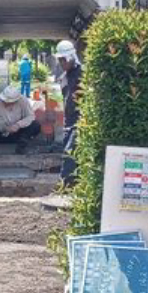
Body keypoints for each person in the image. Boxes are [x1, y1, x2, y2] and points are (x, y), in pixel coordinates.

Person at [0, 86, 41, 154]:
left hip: (17, 134)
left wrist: (18, 125)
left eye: (10, 102)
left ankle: (22, 147)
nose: (7, 103)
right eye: (5, 101)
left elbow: (30, 116)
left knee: (35, 125)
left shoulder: (23, 101)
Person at [56, 40, 82, 187]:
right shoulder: (63, 78)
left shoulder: (82, 74)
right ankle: (71, 185)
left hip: (80, 121)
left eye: (64, 59)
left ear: (72, 57)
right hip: (69, 121)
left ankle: (65, 186)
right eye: (60, 60)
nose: (62, 63)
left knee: (69, 154)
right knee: (69, 154)